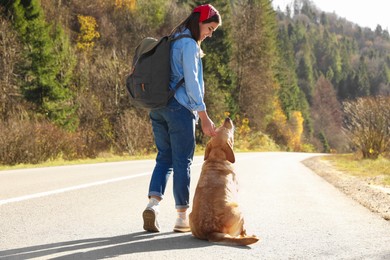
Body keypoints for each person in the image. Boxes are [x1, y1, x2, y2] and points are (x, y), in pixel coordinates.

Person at [142, 4, 222, 233]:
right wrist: (203, 115)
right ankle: (181, 217)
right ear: (199, 21)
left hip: (158, 107)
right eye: (209, 28)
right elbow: (192, 82)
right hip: (179, 109)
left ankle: (153, 205)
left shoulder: (173, 39)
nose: (210, 34)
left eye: (213, 30)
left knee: (164, 157)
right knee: (182, 162)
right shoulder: (188, 44)